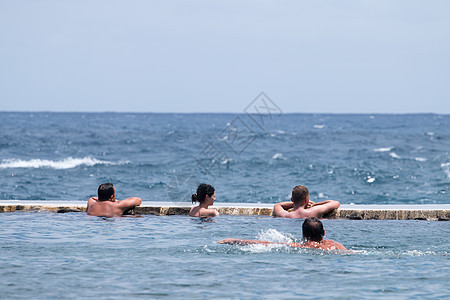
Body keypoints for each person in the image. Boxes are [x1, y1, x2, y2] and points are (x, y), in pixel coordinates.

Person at [217, 217, 347, 251]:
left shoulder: (303, 247)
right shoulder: (336, 245)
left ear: (303, 234)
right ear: (324, 232)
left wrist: (233, 240)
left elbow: (267, 244)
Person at [273, 185, 340, 219]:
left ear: (292, 199)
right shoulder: (312, 211)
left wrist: (295, 202)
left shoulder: (285, 215)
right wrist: (314, 204)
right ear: (306, 199)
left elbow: (277, 205)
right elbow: (336, 203)